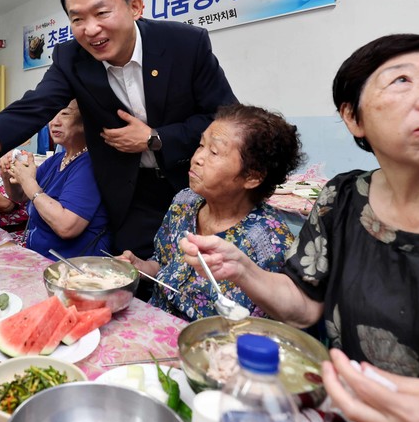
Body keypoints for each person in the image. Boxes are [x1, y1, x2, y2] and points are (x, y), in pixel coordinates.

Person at [181, 33, 419, 422]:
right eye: (402, 81)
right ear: (353, 117)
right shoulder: (344, 197)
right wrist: (243, 269)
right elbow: (305, 306)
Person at [0, 0, 237, 261]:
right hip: (128, 193)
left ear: (135, 7)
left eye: (102, 13)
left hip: (193, 184)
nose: (91, 29)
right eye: (77, 19)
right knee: (134, 274)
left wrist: (156, 138)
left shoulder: (185, 44)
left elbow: (225, 119)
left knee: (198, 269)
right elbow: (29, 110)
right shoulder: (72, 59)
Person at [119, 104, 300, 321]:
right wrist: (142, 267)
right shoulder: (184, 202)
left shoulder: (270, 243)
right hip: (156, 325)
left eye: (214, 152)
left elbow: (261, 330)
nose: (197, 158)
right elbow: (166, 263)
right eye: (200, 144)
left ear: (252, 176)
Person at [1, 100, 110, 258]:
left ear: (86, 120)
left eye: (65, 114)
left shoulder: (90, 164)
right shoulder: (57, 160)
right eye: (52, 115)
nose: (54, 122)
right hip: (39, 256)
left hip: (72, 266)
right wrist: (7, 174)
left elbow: (67, 227)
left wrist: (28, 182)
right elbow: (20, 196)